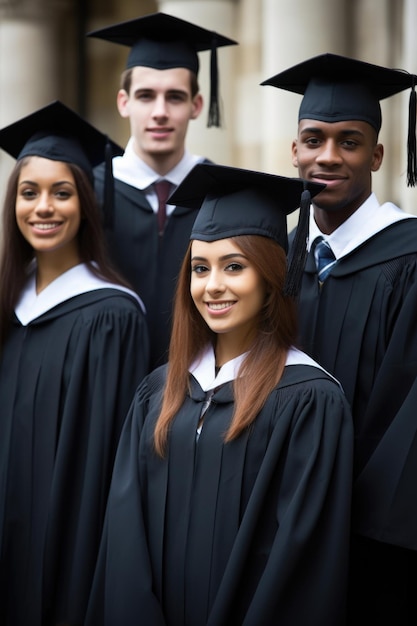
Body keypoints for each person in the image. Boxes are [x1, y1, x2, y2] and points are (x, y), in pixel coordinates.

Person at [85, 163, 354, 626]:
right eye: (200, 268)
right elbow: (124, 536)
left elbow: (300, 564)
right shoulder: (159, 393)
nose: (213, 286)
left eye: (234, 267)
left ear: (272, 280)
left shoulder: (309, 401)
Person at [261, 53, 417, 624]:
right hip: (278, 520)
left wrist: (342, 510)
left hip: (370, 536)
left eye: (349, 141)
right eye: (313, 139)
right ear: (294, 151)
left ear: (377, 155)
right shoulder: (277, 260)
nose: (328, 156)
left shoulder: (408, 257)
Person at [0, 100, 149, 626]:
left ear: (86, 203)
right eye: (29, 192)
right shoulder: (6, 305)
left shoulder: (111, 314)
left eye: (62, 193)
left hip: (66, 544)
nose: (44, 207)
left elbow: (107, 458)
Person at [87, 12, 237, 369]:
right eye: (145, 96)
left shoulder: (223, 194)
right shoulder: (86, 192)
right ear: (124, 102)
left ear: (196, 106)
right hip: (105, 383)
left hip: (199, 391)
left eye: (174, 97)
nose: (159, 112)